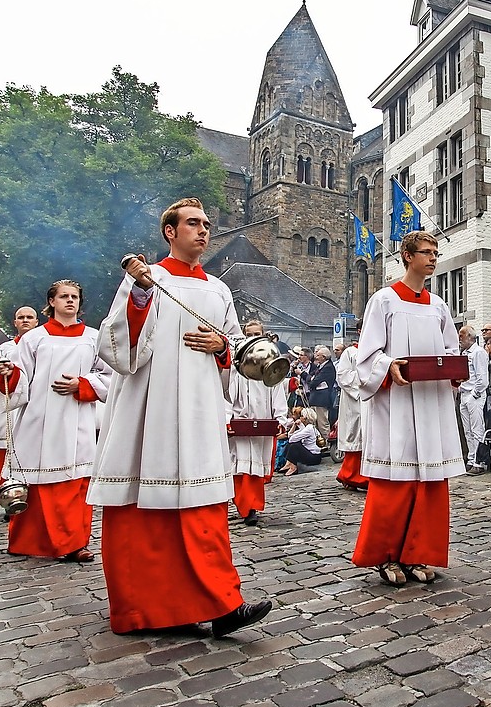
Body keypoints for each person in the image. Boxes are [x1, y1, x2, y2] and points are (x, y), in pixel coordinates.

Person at [89, 196, 271, 638]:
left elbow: (235, 349)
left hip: (200, 409)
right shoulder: (150, 279)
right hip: (149, 411)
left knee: (203, 510)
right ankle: (143, 609)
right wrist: (139, 294)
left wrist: (223, 348)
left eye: (206, 224)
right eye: (192, 224)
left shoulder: (219, 289)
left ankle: (222, 604)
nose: (203, 231)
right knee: (143, 511)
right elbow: (117, 348)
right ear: (170, 232)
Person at [353, 230, 463, 586]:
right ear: (407, 256)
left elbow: (449, 350)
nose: (433, 258)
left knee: (429, 483)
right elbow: (367, 355)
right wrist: (389, 366)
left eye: (435, 253)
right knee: (394, 484)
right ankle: (385, 556)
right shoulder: (383, 301)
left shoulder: (438, 305)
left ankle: (418, 554)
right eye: (426, 253)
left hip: (431, 403)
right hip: (396, 404)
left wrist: (453, 369)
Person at [0, 281, 109, 561]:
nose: (70, 301)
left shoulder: (93, 338)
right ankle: (28, 541)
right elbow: (20, 380)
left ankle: (74, 543)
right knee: (38, 484)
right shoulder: (34, 339)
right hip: (38, 419)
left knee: (75, 483)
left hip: (77, 419)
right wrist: (9, 375)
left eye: (75, 297)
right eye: (64, 297)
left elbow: (110, 378)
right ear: (51, 302)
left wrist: (83, 384)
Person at [228, 319, 289, 525]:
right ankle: (244, 505)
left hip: (262, 422)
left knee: (255, 469)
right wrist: (227, 417)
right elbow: (225, 392)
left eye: (257, 334)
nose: (253, 338)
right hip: (240, 422)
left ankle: (252, 505)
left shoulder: (272, 362)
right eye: (249, 334)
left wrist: (280, 418)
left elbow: (278, 391)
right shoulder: (236, 363)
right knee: (240, 466)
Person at [0, 306, 39, 506]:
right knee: (2, 456)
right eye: (21, 317)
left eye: (29, 317)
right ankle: (4, 500)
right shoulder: (5, 348)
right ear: (15, 323)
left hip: (34, 408)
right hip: (9, 408)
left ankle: (30, 499)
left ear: (36, 322)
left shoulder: (44, 344)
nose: (25, 320)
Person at [334, 340, 368, 491]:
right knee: (356, 435)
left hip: (374, 398)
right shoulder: (350, 352)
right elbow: (343, 375)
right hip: (356, 400)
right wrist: (366, 380)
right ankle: (351, 476)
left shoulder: (378, 350)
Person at [458, 325, 490, 473]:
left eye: (462, 336)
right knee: (467, 431)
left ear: (470, 337)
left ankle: (479, 461)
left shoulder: (478, 353)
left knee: (477, 429)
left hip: (473, 395)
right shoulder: (464, 353)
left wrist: (475, 394)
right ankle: (471, 459)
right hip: (464, 392)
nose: (460, 339)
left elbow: (482, 378)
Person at [278, 407, 323, 476]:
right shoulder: (307, 427)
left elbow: (292, 439)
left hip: (314, 456)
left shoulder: (309, 428)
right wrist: (294, 425)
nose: (300, 418)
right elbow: (290, 436)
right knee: (291, 444)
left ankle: (293, 467)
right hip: (311, 453)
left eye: (301, 416)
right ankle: (288, 463)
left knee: (295, 446)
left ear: (305, 418)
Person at [305, 346, 337, 441]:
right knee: (315, 423)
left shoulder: (328, 368)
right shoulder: (320, 366)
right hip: (315, 399)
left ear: (324, 357)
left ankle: (327, 442)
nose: (316, 357)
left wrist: (309, 378)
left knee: (322, 423)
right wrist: (310, 379)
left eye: (318, 355)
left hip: (322, 400)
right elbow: (311, 378)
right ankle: (319, 443)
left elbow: (313, 382)